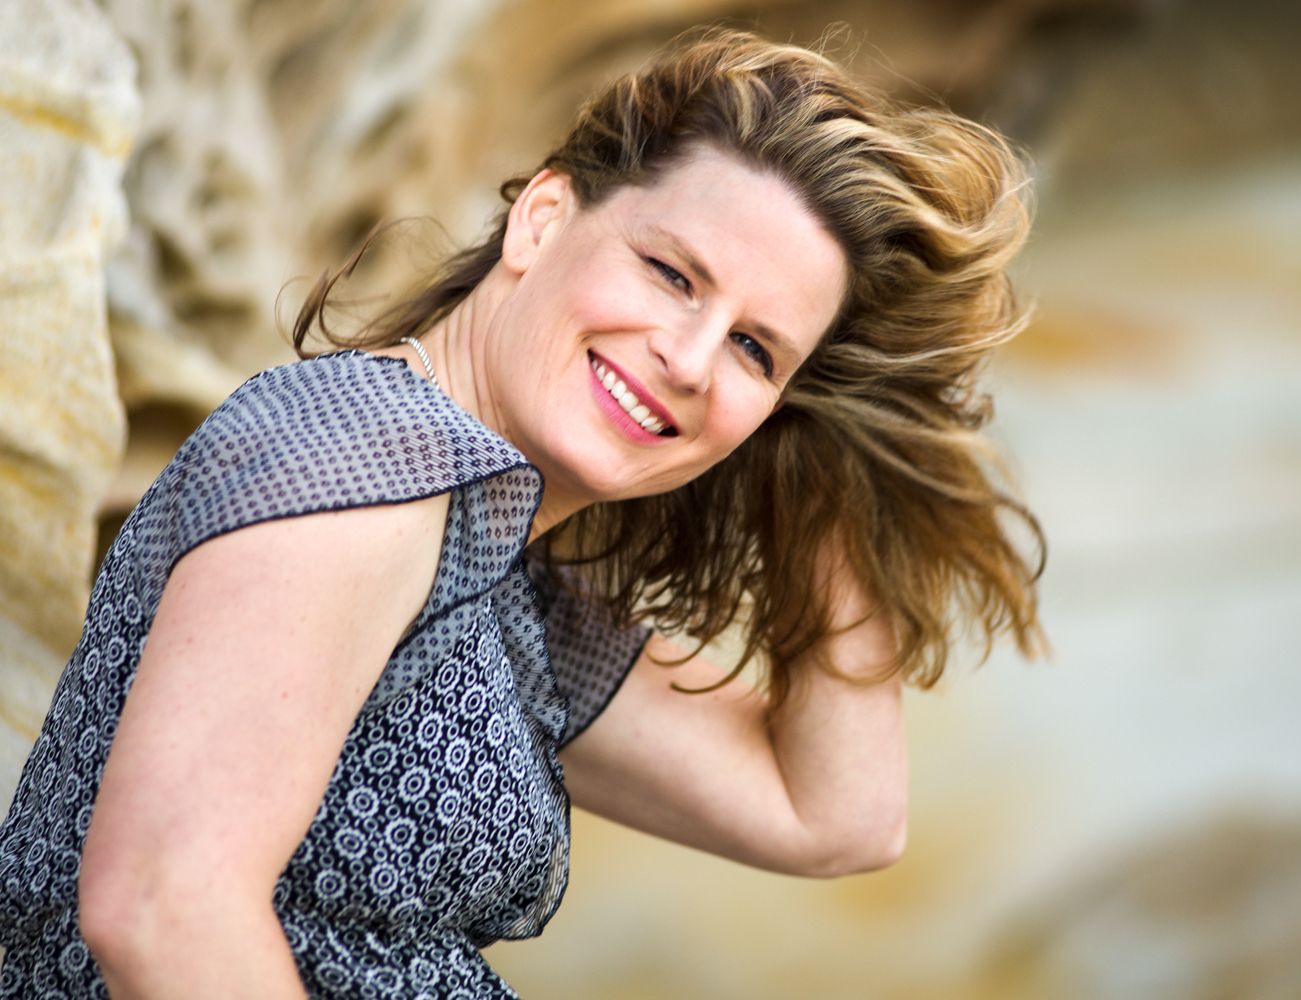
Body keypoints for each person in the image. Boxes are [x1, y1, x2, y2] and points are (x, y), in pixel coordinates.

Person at [0, 27, 1044, 999]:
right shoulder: (362, 456)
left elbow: (836, 816)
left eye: (752, 346)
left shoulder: (495, 563)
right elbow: (160, 906)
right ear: (543, 220)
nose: (686, 359)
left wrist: (828, 453)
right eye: (671, 272)